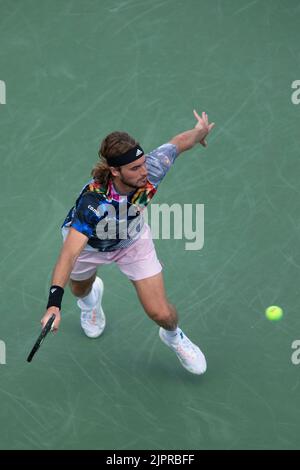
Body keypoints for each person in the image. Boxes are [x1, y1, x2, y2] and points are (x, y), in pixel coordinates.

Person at [41, 109, 215, 375]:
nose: (144, 171)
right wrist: (54, 303)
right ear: (115, 171)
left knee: (162, 314)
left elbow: (179, 142)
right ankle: (90, 304)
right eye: (135, 168)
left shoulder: (152, 168)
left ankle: (173, 336)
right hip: (90, 248)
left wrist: (199, 132)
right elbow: (69, 255)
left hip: (132, 242)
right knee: (80, 291)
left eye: (143, 163)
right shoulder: (93, 203)